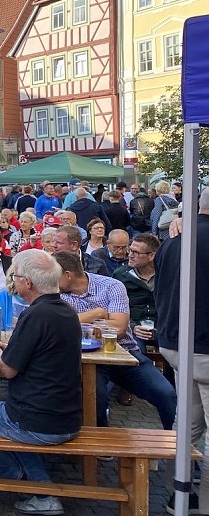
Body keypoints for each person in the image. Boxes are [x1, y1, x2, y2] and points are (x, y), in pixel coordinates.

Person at [0, 249, 81, 516]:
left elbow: (8, 370)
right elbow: (34, 351)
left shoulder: (36, 315)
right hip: (66, 415)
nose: (14, 281)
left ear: (27, 283)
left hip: (36, 419)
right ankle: (36, 486)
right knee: (1, 424)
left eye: (16, 276)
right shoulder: (66, 311)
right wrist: (0, 343)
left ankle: (29, 486)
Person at [55, 251, 176, 430]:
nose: (48, 281)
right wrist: (98, 313)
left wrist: (77, 322)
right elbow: (57, 326)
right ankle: (99, 444)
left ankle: (177, 448)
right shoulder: (54, 292)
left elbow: (118, 329)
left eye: (52, 276)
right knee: (94, 397)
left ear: (68, 275)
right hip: (83, 359)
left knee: (165, 394)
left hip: (123, 352)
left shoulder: (111, 285)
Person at [155, 188, 209, 513]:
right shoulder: (180, 231)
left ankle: (180, 496)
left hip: (175, 342)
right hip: (204, 345)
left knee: (188, 423)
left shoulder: (176, 237)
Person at [113, 233, 160, 355]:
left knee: (178, 349)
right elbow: (114, 308)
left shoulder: (165, 275)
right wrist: (133, 326)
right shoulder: (120, 275)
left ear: (151, 256)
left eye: (136, 252)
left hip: (162, 328)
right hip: (134, 329)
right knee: (136, 350)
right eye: (130, 250)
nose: (130, 255)